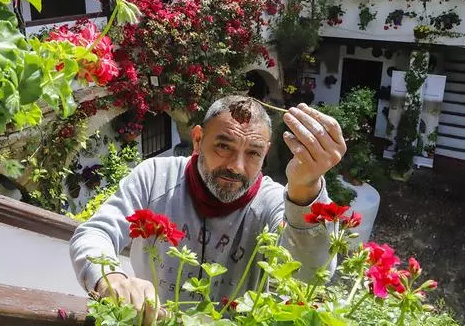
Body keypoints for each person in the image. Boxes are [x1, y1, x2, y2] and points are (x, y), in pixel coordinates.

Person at [69, 96, 346, 322]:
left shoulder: (273, 202)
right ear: (199, 139)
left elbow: (310, 275)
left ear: (266, 152)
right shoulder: (155, 178)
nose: (237, 166)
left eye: (253, 153)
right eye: (223, 146)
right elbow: (94, 232)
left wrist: (304, 187)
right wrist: (110, 278)